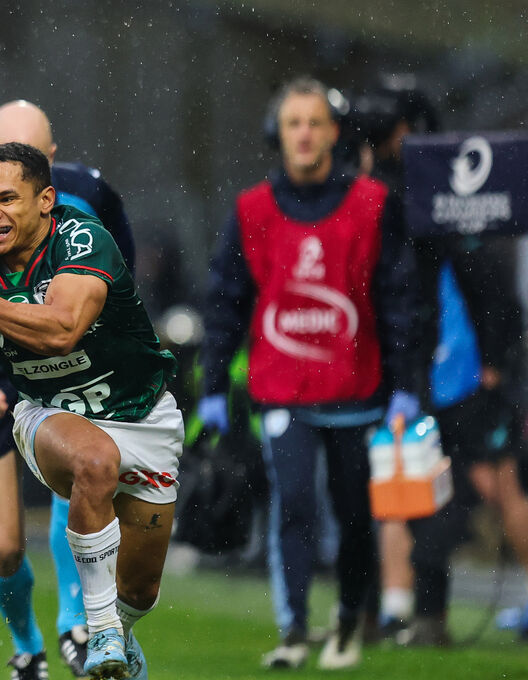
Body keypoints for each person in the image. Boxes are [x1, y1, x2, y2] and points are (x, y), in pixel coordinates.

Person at [0, 141, 181, 680]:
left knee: (142, 588)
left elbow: (62, 331)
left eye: (6, 199)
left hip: (145, 417)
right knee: (93, 463)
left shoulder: (83, 239)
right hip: (46, 413)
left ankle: (121, 633)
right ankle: (96, 630)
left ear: (46, 200)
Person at [197, 77, 418, 670]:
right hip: (282, 390)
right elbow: (225, 302)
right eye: (293, 122)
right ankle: (294, 629)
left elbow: (399, 300)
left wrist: (406, 386)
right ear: (279, 134)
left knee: (353, 514)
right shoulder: (250, 210)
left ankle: (348, 621)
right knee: (293, 505)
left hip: (356, 389)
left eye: (314, 122)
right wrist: (213, 385)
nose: (303, 133)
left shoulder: (374, 204)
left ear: (333, 132)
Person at [355, 82, 528, 646]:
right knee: (406, 487)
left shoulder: (437, 199)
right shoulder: (407, 195)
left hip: (456, 370)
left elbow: (486, 289)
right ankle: (411, 615)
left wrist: (496, 362)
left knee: (484, 484)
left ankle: (410, 614)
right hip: (423, 370)